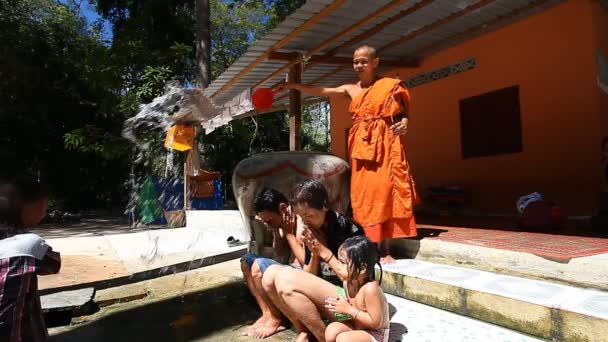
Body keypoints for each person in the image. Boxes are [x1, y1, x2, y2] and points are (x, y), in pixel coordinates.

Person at [277, 45, 419, 264]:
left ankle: (385, 248)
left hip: (385, 145)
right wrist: (292, 85)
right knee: (365, 196)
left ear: (375, 62)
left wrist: (406, 123)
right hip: (362, 148)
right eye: (355, 61)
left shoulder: (390, 86)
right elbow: (322, 91)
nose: (359, 65)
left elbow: (403, 114)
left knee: (385, 192)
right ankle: (369, 244)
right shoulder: (350, 89)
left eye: (363, 61)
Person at [261, 179, 364, 342]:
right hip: (327, 297)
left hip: (349, 302)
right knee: (269, 275)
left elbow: (353, 279)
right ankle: (308, 332)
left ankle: (321, 337)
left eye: (309, 215)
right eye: (302, 217)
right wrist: (315, 253)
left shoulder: (350, 231)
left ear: (324, 206)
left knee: (285, 282)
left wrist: (324, 251)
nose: (305, 221)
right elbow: (309, 275)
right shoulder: (313, 229)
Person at [0, 177, 61, 342]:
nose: (45, 210)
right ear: (26, 207)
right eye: (43, 205)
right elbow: (53, 263)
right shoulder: (28, 245)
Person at [240, 188, 306, 339]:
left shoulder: (302, 223)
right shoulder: (283, 222)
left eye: (270, 220)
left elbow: (306, 263)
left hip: (302, 273)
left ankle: (277, 320)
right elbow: (280, 255)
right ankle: (267, 314)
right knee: (246, 261)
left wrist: (289, 233)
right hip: (288, 268)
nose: (268, 224)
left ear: (282, 208)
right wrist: (276, 231)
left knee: (258, 266)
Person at [324, 236, 389, 342]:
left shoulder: (370, 289)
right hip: (358, 327)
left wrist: (349, 310)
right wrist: (339, 307)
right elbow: (350, 309)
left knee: (343, 339)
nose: (338, 266)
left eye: (343, 262)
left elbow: (376, 323)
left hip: (375, 334)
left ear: (362, 268)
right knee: (331, 330)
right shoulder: (347, 283)